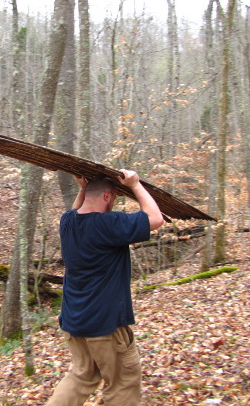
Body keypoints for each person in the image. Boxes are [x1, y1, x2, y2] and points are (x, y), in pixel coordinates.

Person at [47, 169, 164, 406]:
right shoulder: (109, 224)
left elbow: (75, 210)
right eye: (114, 199)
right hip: (105, 326)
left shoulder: (67, 222)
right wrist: (135, 184)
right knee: (123, 381)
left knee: (82, 376)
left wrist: (82, 189)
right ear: (108, 196)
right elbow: (156, 219)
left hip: (74, 322)